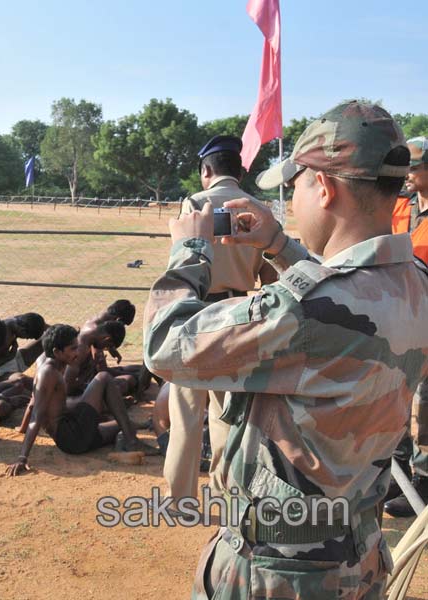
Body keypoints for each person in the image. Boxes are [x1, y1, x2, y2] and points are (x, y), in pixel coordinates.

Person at [143, 101, 420, 598]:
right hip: (359, 557)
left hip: (277, 573)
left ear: (325, 187)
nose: (290, 201)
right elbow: (346, 294)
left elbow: (165, 346)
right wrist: (278, 244)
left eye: (294, 187)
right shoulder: (415, 284)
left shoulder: (302, 311)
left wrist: (189, 250)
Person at [166, 135, 282, 507]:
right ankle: (226, 494)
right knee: (226, 412)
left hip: (197, 312)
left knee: (186, 411)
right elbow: (269, 272)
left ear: (206, 170)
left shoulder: (197, 204)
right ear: (240, 170)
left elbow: (182, 260)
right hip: (236, 316)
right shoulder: (258, 209)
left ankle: (179, 497)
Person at [6, 325, 153, 476]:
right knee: (103, 378)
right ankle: (131, 441)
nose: (78, 353)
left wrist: (22, 428)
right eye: (73, 349)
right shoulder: (48, 373)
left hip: (74, 435)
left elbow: (34, 403)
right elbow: (37, 414)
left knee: (120, 424)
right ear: (57, 352)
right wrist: (22, 458)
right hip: (72, 437)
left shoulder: (55, 365)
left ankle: (125, 438)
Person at [385, 136, 428, 517]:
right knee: (394, 395)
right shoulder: (401, 206)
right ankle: (393, 473)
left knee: (426, 404)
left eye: (414, 167)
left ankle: (424, 484)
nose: (408, 175)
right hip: (398, 317)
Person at [0, 312, 46, 379]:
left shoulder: (16, 320)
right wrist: (10, 356)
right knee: (22, 380)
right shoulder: (3, 336)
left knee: (48, 338)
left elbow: (44, 326)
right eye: (27, 337)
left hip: (13, 359)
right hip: (0, 372)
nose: (26, 339)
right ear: (23, 330)